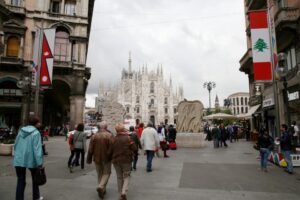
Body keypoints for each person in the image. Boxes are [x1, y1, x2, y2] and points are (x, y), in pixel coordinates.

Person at [13, 116, 44, 200]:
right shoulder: (36, 133)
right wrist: (40, 163)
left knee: (20, 180)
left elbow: (15, 144)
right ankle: (36, 197)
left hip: (19, 159)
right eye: (38, 122)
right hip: (32, 159)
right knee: (35, 179)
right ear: (36, 123)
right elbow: (37, 149)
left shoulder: (21, 131)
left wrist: (15, 155)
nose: (40, 124)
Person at [87, 121, 113, 199]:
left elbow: (90, 149)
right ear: (106, 127)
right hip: (107, 158)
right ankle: (101, 187)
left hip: (97, 158)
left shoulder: (94, 136)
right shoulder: (109, 136)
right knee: (107, 173)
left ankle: (102, 189)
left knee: (100, 174)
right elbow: (112, 148)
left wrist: (89, 158)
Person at [110, 123, 137, 200]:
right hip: (126, 160)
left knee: (119, 177)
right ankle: (123, 192)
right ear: (123, 129)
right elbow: (134, 148)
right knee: (126, 176)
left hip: (116, 160)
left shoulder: (113, 139)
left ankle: (120, 194)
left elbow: (110, 150)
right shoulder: (128, 138)